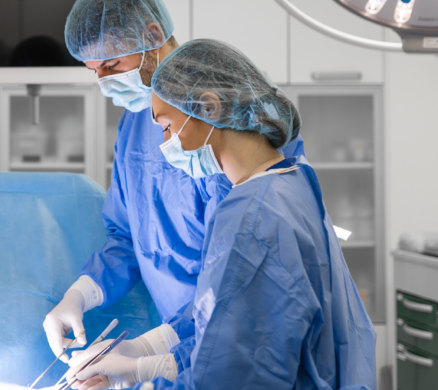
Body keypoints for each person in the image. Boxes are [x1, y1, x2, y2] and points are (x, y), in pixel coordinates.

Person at [67, 39, 378, 390]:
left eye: (166, 127)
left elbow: (224, 387)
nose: (163, 144)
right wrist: (145, 357)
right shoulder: (288, 181)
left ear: (209, 108)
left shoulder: (252, 220)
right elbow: (233, 334)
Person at [43, 0, 309, 366]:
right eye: (94, 72)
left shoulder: (226, 110)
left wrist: (149, 350)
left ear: (153, 35)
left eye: (112, 65)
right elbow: (127, 235)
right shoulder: (135, 123)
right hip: (189, 341)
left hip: (242, 336)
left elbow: (244, 272)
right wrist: (81, 294)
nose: (105, 84)